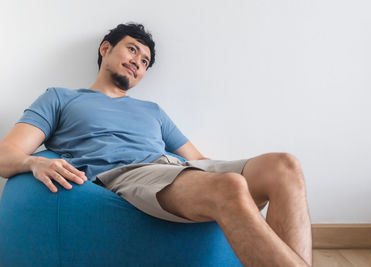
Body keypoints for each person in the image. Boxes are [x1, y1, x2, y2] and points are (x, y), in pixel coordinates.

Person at [0, 23, 312, 266]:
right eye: (132, 50)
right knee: (229, 187)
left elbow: (198, 159)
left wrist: (245, 192)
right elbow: (6, 155)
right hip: (126, 174)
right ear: (105, 49)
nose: (137, 62)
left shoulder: (152, 110)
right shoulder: (61, 98)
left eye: (145, 61)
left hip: (176, 169)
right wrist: (34, 162)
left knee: (284, 165)